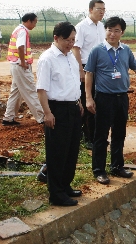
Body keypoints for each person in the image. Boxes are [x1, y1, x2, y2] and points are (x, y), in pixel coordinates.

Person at [85, 17, 136, 183]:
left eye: (116, 30)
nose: (112, 34)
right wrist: (88, 98)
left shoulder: (125, 51)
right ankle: (99, 170)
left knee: (119, 134)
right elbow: (89, 74)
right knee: (101, 136)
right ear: (105, 31)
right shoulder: (97, 51)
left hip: (121, 97)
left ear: (122, 32)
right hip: (104, 98)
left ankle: (117, 166)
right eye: (109, 29)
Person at [36, 22, 84, 206]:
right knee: (57, 153)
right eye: (67, 40)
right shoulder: (47, 59)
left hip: (73, 107)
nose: (71, 43)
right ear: (56, 38)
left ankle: (65, 186)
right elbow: (41, 90)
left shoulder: (70, 56)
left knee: (71, 150)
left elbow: (72, 83)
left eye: (73, 40)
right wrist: (47, 113)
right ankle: (56, 193)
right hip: (57, 109)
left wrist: (78, 101)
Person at [72, 0, 106, 150]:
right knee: (88, 101)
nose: (102, 12)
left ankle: (97, 136)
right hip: (86, 68)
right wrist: (80, 70)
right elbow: (76, 49)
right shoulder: (82, 27)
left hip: (101, 68)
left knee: (99, 101)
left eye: (104, 9)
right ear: (90, 10)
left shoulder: (102, 27)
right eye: (99, 9)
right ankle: (87, 137)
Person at [2, 13, 44, 125]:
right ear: (29, 21)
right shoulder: (23, 31)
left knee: (15, 92)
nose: (35, 25)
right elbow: (20, 46)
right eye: (35, 22)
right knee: (31, 91)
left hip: (16, 66)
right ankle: (42, 117)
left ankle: (8, 117)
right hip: (21, 66)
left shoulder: (18, 29)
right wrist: (22, 62)